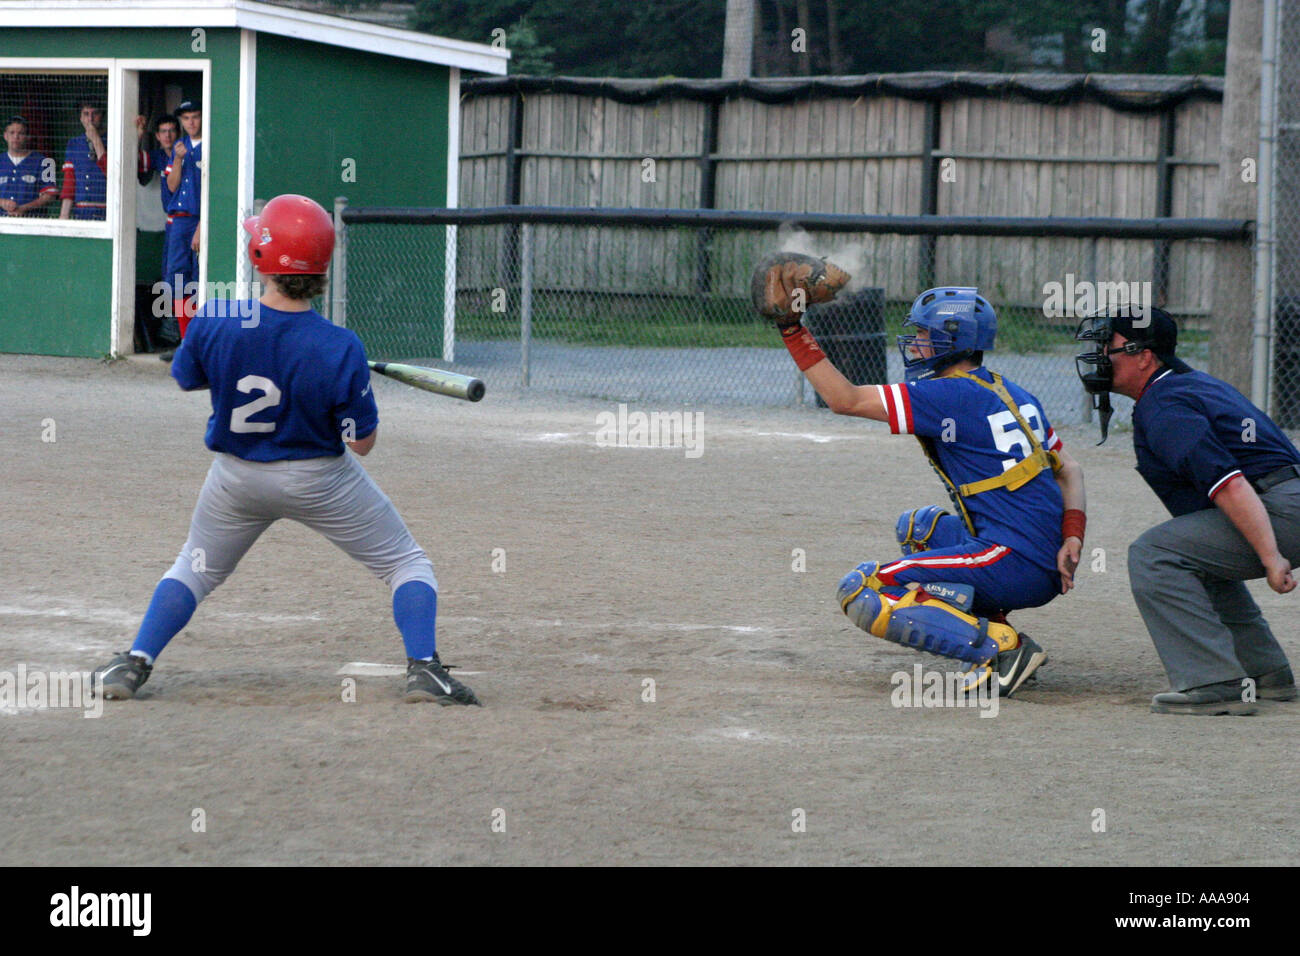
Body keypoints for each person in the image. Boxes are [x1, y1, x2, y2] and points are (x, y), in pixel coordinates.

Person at [92, 194, 480, 707]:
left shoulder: (216, 320)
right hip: (320, 479)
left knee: (195, 566)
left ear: (260, 258)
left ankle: (134, 663)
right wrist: (343, 383)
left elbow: (185, 376)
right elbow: (361, 444)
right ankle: (425, 670)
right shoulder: (340, 346)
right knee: (407, 564)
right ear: (320, 271)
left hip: (235, 478)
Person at [769, 270, 1086, 697]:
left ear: (954, 342)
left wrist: (792, 330)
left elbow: (843, 399)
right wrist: (1073, 537)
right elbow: (1072, 470)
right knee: (919, 528)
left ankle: (1003, 650)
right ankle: (997, 631)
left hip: (1016, 561)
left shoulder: (948, 393)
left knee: (862, 587)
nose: (915, 344)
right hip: (1040, 554)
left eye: (925, 335)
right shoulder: (1011, 390)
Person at [1075, 306, 1298, 715]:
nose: (1100, 354)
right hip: (1285, 502)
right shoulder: (1180, 386)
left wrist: (1272, 558)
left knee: (1155, 554)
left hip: (1280, 508)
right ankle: (1265, 673)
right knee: (1192, 551)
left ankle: (1213, 681)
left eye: (1110, 346)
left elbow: (1229, 483)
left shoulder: (1164, 402)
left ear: (1144, 356)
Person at [135, 113, 182, 349]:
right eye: (163, 131)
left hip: (189, 221)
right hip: (171, 223)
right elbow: (138, 169)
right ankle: (171, 325)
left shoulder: (186, 154)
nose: (168, 135)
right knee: (170, 274)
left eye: (172, 131)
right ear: (157, 136)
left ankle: (180, 329)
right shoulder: (156, 156)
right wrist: (138, 134)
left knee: (183, 276)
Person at [162, 100, 203, 336]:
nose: (191, 122)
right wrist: (177, 159)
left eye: (195, 116)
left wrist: (201, 227)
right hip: (179, 220)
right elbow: (171, 186)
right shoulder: (179, 146)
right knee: (178, 278)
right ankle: (186, 339)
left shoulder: (210, 144)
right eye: (186, 118)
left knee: (200, 278)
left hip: (199, 219)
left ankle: (198, 339)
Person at [59, 100, 108, 220]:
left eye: (95, 113)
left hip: (107, 212)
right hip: (81, 212)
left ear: (102, 116)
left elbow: (112, 173)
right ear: (80, 118)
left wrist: (96, 139)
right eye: (86, 114)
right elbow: (69, 182)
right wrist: (64, 215)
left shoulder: (113, 139)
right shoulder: (74, 143)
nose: (90, 119)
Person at [0, 116, 58, 217]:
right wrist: (2, 202)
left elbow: (50, 195)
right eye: (12, 133)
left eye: (21, 133)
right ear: (5, 136)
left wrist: (24, 208)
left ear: (28, 137)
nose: (16, 137)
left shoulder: (45, 162)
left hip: (33, 223)